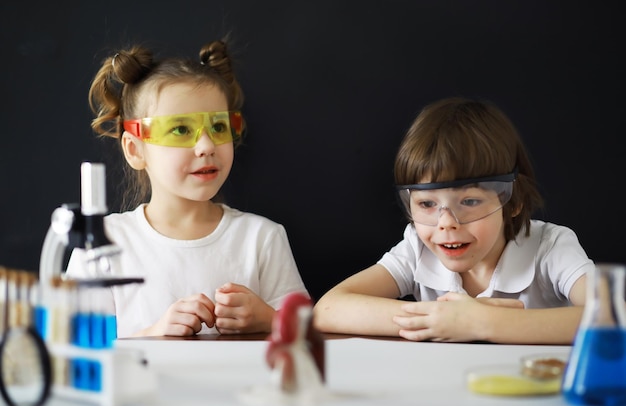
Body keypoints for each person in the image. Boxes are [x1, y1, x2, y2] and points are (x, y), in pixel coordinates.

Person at [67, 39, 309, 338]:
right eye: (181, 129)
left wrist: (271, 319)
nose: (207, 146)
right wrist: (154, 334)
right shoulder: (102, 244)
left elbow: (310, 333)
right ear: (135, 150)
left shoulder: (261, 237)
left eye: (219, 127)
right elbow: (74, 348)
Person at [313, 97, 594, 345]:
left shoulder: (551, 246)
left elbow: (614, 319)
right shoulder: (417, 249)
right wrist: (442, 319)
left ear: (513, 202)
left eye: (469, 202)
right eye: (426, 204)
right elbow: (327, 310)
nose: (446, 223)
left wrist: (481, 322)